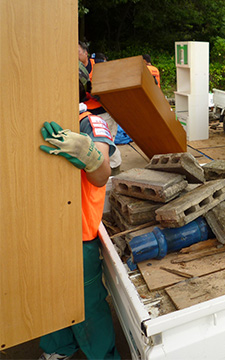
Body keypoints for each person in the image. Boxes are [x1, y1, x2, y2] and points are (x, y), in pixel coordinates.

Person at [37, 63, 120, 360]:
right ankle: (58, 349)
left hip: (78, 233)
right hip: (42, 229)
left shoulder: (89, 123)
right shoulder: (33, 119)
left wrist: (86, 152)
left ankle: (103, 355)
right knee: (47, 295)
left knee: (87, 305)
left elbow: (102, 175)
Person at [78, 41, 122, 174]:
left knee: (106, 145)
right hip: (86, 114)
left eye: (77, 52)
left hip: (103, 112)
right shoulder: (72, 68)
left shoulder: (99, 66)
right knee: (93, 147)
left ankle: (113, 172)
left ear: (86, 53)